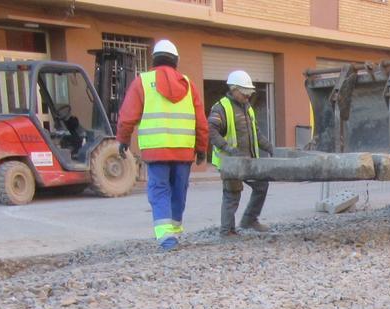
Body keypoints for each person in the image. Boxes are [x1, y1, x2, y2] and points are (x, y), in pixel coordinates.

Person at [116, 39, 209, 250]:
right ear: (176, 61)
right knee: (179, 191)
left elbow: (127, 116)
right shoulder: (188, 84)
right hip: (184, 151)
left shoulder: (143, 82)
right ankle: (174, 233)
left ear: (154, 60)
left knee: (159, 191)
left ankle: (167, 238)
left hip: (156, 151)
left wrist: (123, 139)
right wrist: (202, 148)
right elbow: (201, 121)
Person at [209, 70, 273, 236]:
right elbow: (212, 131)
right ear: (234, 89)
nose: (247, 97)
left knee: (261, 185)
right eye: (244, 93)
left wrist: (270, 147)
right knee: (232, 194)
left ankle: (249, 220)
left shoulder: (247, 108)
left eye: (249, 94)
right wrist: (229, 149)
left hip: (247, 161)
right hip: (231, 162)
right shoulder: (221, 108)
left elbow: (256, 133)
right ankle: (227, 231)